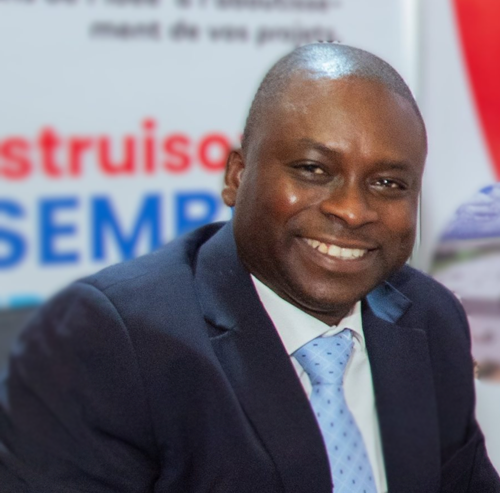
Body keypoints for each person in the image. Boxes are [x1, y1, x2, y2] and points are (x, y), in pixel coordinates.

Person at [0, 43, 498, 493]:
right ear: (237, 176)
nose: (351, 210)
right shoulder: (110, 342)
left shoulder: (431, 318)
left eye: (388, 183)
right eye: (313, 170)